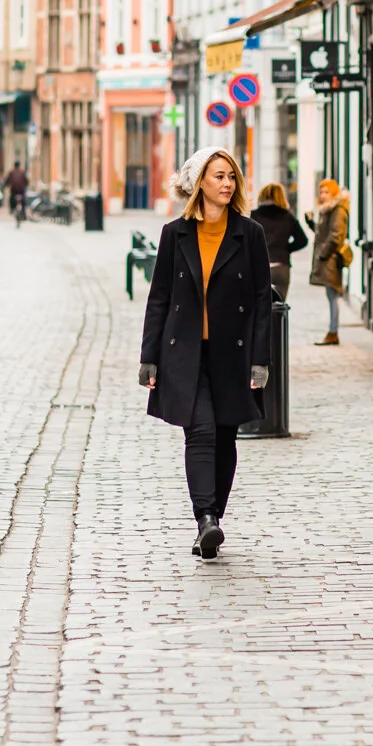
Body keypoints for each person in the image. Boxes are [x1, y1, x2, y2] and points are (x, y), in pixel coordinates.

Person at [138, 148, 272, 560]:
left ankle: (212, 519)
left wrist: (261, 359)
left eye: (231, 176)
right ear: (199, 184)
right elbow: (159, 297)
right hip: (185, 353)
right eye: (218, 176)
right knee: (201, 431)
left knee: (226, 435)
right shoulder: (174, 234)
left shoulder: (249, 234)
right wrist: (149, 357)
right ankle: (207, 519)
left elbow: (262, 301)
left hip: (233, 353)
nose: (227, 183)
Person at [307, 178, 350, 346]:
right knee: (331, 296)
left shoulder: (338, 210)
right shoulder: (328, 210)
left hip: (331, 260)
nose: (323, 195)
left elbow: (335, 236)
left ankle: (333, 332)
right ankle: (332, 331)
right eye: (321, 192)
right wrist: (311, 223)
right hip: (328, 258)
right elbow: (322, 233)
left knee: (333, 296)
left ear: (334, 193)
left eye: (326, 192)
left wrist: (322, 255)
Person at [251, 181, 307, 297]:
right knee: (279, 306)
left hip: (260, 266)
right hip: (281, 266)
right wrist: (286, 249)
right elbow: (302, 240)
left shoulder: (254, 216)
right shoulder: (288, 216)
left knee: (260, 306)